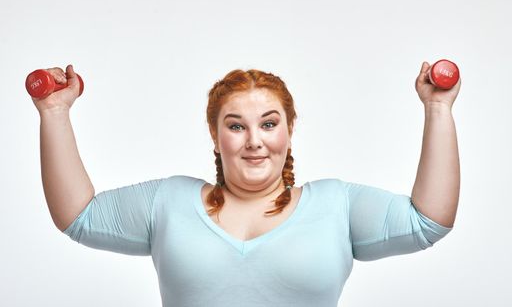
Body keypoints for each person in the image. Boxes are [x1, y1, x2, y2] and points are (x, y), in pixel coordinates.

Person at [33, 63, 460, 307]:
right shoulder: (168, 201)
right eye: (236, 126)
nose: (254, 140)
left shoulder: (336, 205)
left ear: (289, 130)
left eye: (268, 124)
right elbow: (79, 216)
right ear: (215, 135)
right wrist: (54, 112)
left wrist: (438, 108)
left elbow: (428, 221)